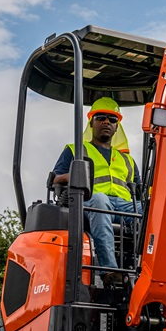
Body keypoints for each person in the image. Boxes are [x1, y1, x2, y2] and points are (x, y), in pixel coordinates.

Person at [52, 97, 141, 283]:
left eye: (112, 119)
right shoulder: (76, 150)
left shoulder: (127, 160)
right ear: (91, 122)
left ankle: (154, 272)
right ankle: (109, 270)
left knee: (152, 211)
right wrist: (74, 176)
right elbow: (55, 179)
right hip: (89, 203)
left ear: (117, 126)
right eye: (101, 117)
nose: (106, 122)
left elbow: (139, 192)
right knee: (101, 200)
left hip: (123, 207)